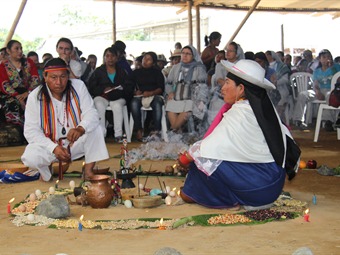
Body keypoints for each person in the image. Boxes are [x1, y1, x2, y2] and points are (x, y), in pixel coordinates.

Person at [179, 59, 300, 209]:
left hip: (259, 187)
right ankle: (233, 198)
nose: (222, 88)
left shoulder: (241, 113)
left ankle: (199, 194)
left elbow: (207, 149)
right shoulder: (262, 109)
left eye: (227, 83)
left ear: (241, 89)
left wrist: (185, 158)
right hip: (272, 186)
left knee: (201, 162)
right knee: (210, 160)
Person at [21, 58, 109, 181]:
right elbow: (31, 131)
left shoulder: (79, 86)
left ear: (68, 75)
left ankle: (88, 171)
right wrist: (54, 148)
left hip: (74, 144)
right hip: (50, 147)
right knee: (30, 156)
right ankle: (47, 170)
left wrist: (81, 128)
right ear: (45, 77)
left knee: (97, 129)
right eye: (53, 77)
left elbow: (91, 113)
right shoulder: (35, 97)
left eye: (63, 77)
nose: (59, 82)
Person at [88, 47, 130, 142]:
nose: (110, 58)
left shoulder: (122, 71)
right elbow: (92, 87)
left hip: (118, 96)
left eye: (112, 56)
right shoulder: (98, 71)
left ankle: (118, 134)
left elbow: (128, 86)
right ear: (104, 58)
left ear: (116, 58)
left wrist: (117, 91)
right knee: (98, 103)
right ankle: (101, 133)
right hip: (103, 95)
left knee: (116, 105)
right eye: (107, 56)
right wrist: (103, 89)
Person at [165, 45, 209, 133]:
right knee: (170, 109)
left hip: (192, 98)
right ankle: (177, 130)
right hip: (177, 97)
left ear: (193, 56)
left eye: (188, 54)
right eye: (183, 53)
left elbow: (203, 87)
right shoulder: (176, 67)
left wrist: (198, 99)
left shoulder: (199, 68)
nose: (185, 56)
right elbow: (168, 83)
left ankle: (174, 129)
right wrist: (170, 92)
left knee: (187, 111)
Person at [0, 40, 41, 127]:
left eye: (21, 48)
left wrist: (28, 92)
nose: (20, 51)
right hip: (11, 95)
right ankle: (18, 131)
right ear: (8, 51)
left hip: (29, 92)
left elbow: (36, 79)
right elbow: (4, 84)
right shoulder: (3, 65)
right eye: (16, 49)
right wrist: (17, 96)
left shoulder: (29, 62)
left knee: (36, 102)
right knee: (12, 105)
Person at [126, 51, 165, 141]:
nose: (145, 61)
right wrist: (135, 92)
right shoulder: (136, 72)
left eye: (149, 59)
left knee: (157, 104)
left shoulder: (157, 73)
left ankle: (156, 130)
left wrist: (151, 93)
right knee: (134, 103)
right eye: (144, 58)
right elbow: (129, 85)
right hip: (141, 96)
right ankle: (139, 129)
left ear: (153, 62)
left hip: (154, 95)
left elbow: (160, 89)